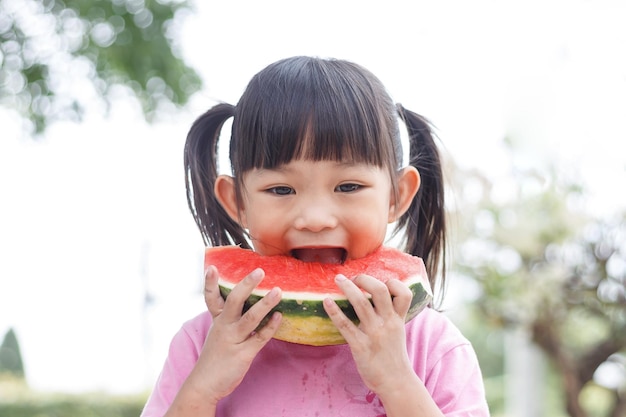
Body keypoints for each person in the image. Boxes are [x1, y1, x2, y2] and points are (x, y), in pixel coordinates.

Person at [141, 56, 490, 417]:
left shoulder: (432, 346)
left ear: (396, 196)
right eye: (280, 189)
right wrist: (203, 388)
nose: (315, 219)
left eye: (349, 185)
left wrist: (398, 382)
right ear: (237, 203)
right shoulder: (200, 345)